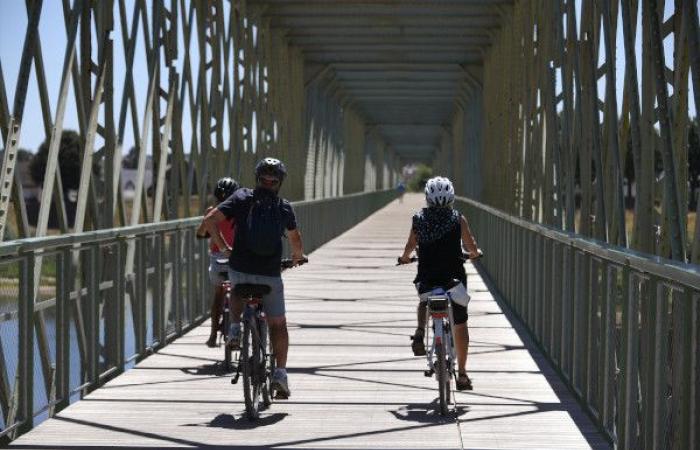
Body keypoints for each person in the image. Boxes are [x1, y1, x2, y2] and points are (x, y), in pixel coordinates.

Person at [200, 157, 305, 398]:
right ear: (279, 183)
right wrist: (298, 257)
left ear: (258, 178)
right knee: (278, 324)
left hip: (240, 268)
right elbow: (295, 240)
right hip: (269, 273)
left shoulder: (241, 197)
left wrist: (224, 247)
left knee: (237, 288)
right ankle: (280, 374)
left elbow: (209, 221)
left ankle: (235, 328)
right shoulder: (284, 207)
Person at [398, 176, 480, 391]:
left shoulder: (418, 219)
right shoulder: (458, 219)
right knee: (460, 323)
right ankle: (462, 374)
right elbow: (471, 246)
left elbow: (410, 245)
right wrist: (474, 253)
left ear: (427, 198)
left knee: (425, 300)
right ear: (451, 197)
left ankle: (419, 331)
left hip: (428, 278)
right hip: (453, 282)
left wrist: (405, 257)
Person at [197, 177, 240, 347]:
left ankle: (213, 334)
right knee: (240, 290)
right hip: (237, 258)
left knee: (218, 294)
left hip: (218, 258)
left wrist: (206, 230)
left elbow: (201, 233)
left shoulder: (211, 211)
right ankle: (240, 326)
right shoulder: (241, 210)